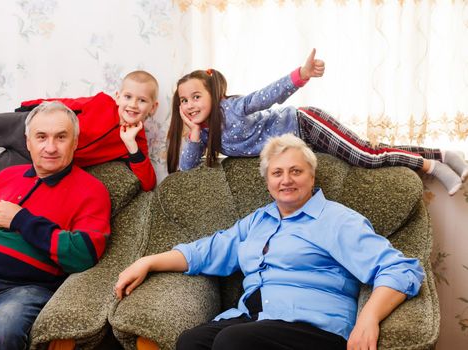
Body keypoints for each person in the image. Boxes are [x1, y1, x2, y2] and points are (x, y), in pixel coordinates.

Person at [115, 133, 424, 350]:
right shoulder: (260, 220)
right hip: (255, 320)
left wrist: (369, 317)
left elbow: (401, 269)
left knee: (232, 342)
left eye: (295, 171)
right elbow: (208, 251)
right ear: (267, 181)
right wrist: (149, 261)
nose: (286, 179)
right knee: (192, 341)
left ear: (312, 177)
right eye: (277, 172)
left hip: (314, 327)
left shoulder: (336, 220)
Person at [166, 49, 468, 195]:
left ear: (213, 94)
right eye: (183, 101)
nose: (190, 105)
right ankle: (443, 154)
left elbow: (267, 95)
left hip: (305, 124)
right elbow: (187, 173)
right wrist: (192, 133)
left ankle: (433, 167)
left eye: (196, 97)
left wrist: (301, 74)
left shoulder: (231, 108)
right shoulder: (204, 136)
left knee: (365, 156)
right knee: (371, 149)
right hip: (302, 142)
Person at [0, 101, 111, 349]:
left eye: (61, 137)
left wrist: (22, 220)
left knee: (3, 338)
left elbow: (83, 254)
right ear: (28, 141)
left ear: (75, 142)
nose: (50, 147)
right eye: (41, 137)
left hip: (24, 289)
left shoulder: (92, 191)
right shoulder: (6, 175)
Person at [0, 70, 159, 194]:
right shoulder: (102, 102)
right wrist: (30, 107)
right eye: (128, 97)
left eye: (142, 100)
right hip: (23, 126)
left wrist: (130, 145)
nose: (133, 105)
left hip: (35, 157)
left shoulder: (135, 142)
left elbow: (149, 184)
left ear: (153, 107)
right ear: (118, 96)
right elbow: (67, 104)